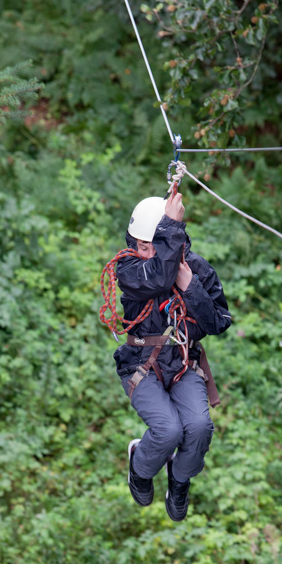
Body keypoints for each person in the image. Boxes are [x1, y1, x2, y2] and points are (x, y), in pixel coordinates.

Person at [113, 189, 232, 521]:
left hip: (183, 363)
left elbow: (218, 322)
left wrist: (191, 284)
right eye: (141, 245)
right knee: (168, 431)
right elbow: (159, 278)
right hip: (141, 366)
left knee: (198, 426)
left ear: (174, 242)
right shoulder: (130, 269)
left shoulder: (195, 269)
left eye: (153, 245)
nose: (146, 252)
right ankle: (141, 466)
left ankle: (179, 481)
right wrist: (170, 231)